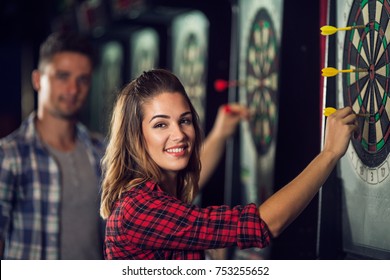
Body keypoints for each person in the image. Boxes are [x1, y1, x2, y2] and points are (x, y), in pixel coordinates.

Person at [0, 32, 247, 259]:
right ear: (37, 80)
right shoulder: (9, 155)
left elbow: (176, 179)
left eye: (83, 79)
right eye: (62, 76)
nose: (73, 89)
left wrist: (220, 133)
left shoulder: (101, 151)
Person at [100, 69, 358, 260]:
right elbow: (263, 224)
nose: (178, 134)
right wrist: (330, 153)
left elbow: (193, 178)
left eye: (185, 120)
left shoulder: (158, 193)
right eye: (160, 124)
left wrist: (220, 134)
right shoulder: (139, 208)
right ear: (135, 136)